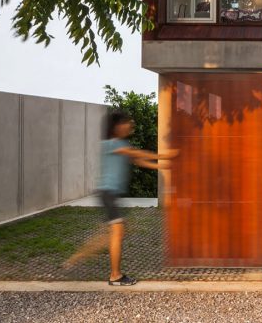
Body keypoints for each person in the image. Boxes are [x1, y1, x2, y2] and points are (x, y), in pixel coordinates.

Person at [64, 107, 177, 285]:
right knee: (117, 232)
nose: (129, 125)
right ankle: (115, 276)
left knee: (114, 234)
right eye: (126, 123)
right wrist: (164, 155)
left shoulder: (120, 145)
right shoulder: (112, 144)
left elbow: (138, 160)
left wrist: (162, 166)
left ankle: (78, 256)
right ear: (116, 126)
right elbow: (136, 154)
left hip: (112, 195)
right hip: (108, 193)